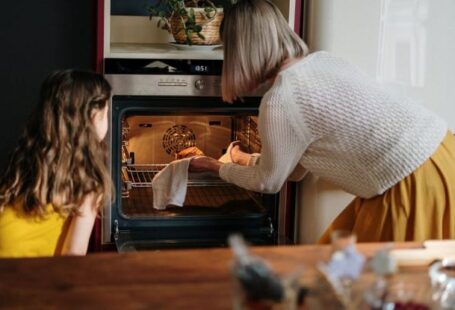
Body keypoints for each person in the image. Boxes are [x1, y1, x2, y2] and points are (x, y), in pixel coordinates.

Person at [189, 0, 455, 242]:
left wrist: (214, 166)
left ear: (241, 50)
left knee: (384, 283)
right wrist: (242, 159)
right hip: (442, 153)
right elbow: (294, 169)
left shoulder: (280, 99)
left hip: (409, 183)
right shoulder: (323, 62)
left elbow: (269, 183)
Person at [0, 70, 113, 257]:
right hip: (25, 277)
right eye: (106, 112)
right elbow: (73, 254)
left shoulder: (27, 156)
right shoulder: (89, 181)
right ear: (94, 117)